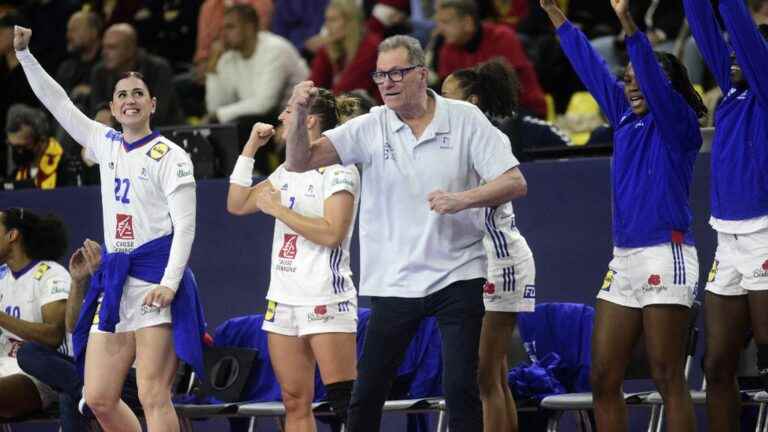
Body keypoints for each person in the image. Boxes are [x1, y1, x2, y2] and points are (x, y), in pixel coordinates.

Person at [284, 34, 528, 432]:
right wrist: (297, 115)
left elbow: (515, 182)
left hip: (459, 271)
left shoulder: (464, 118)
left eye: (397, 72)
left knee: (460, 386)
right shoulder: (370, 126)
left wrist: (463, 199)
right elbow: (300, 161)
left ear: (421, 73)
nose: (388, 82)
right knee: (369, 391)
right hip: (395, 280)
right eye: (381, 75)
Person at [14, 25, 205, 432]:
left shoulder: (170, 156)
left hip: (156, 277)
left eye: (138, 93)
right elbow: (59, 104)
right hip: (118, 279)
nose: (130, 100)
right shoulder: (105, 142)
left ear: (152, 104)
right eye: (122, 95)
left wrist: (170, 283)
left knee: (154, 395)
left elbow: (185, 227)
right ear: (114, 108)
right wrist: (26, 54)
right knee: (98, 396)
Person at [540, 0, 707, 431]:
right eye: (627, 80)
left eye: (640, 80)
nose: (632, 87)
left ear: (664, 87)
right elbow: (590, 65)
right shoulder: (623, 119)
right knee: (603, 376)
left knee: (668, 376)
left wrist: (629, 24)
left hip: (665, 255)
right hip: (624, 261)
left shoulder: (679, 124)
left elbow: (650, 75)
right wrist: (557, 17)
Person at [227, 89, 360, 431]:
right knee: (293, 401)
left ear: (309, 120)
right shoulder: (286, 169)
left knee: (346, 403)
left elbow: (333, 233)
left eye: (289, 111)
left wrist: (279, 210)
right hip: (283, 300)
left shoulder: (339, 170)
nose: (282, 118)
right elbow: (238, 203)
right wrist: (250, 148)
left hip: (325, 297)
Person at [440, 58, 540, 432]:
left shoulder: (490, 138)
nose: (440, 102)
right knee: (494, 373)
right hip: (484, 262)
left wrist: (458, 198)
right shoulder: (456, 142)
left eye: (449, 96)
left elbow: (508, 186)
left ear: (474, 101)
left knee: (484, 376)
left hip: (500, 261)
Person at [682, 0, 768, 429]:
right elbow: (703, 28)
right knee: (716, 364)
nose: (731, 60)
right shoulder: (731, 97)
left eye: (741, 56)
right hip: (727, 240)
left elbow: (741, 31)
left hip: (765, 232)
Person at [17, 239, 141, 432]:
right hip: (91, 371)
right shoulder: (104, 287)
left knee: (69, 396)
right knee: (28, 352)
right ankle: (85, 391)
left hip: (128, 377)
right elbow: (74, 326)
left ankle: (84, 392)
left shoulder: (143, 287)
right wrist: (77, 281)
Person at [0, 208, 70, 419]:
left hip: (37, 374)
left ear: (12, 235)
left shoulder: (51, 274)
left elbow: (53, 336)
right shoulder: (3, 277)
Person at [204, 4, 308, 139]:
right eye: (223, 28)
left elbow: (264, 104)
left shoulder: (275, 49)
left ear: (249, 28)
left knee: (246, 125)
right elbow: (215, 106)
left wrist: (219, 114)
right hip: (263, 117)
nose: (223, 34)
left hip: (297, 115)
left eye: (230, 27)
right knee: (224, 127)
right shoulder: (228, 57)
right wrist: (213, 68)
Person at [433, 0, 547, 118]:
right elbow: (446, 91)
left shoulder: (502, 37)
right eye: (439, 23)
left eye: (446, 22)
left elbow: (507, 90)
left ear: (467, 22)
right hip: (477, 114)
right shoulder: (447, 48)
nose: (440, 29)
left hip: (522, 109)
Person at [442, 58, 570, 162]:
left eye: (445, 96)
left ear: (472, 101)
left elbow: (576, 160)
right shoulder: (446, 139)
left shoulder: (537, 132)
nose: (439, 102)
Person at [89, 22, 185, 127]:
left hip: (161, 134)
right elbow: (97, 108)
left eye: (112, 47)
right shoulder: (99, 72)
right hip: (117, 135)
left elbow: (157, 113)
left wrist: (114, 118)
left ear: (130, 50)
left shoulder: (158, 69)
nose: (104, 53)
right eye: (104, 47)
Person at [309, 0, 382, 101]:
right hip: (339, 109)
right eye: (326, 20)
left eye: (333, 20)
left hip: (368, 111)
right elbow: (312, 88)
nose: (327, 26)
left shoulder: (370, 47)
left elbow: (346, 92)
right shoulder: (327, 49)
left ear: (350, 22)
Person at [4, 103, 64, 190]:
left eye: (22, 147)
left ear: (42, 142)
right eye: (12, 147)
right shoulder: (15, 176)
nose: (17, 152)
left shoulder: (66, 170)